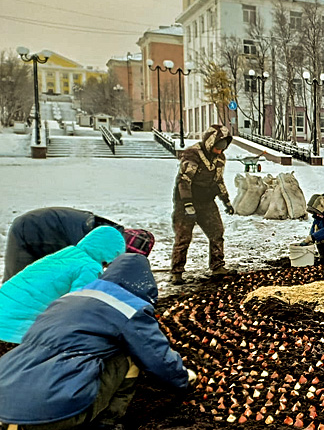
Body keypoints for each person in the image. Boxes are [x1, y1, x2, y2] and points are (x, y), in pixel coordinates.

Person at [0, 253, 195, 430]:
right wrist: (182, 378)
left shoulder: (67, 299)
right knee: (129, 355)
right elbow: (156, 358)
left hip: (5, 400)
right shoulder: (129, 307)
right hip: (53, 413)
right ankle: (107, 422)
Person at [0, 226, 126, 344]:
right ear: (111, 254)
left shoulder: (64, 255)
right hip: (13, 334)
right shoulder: (89, 268)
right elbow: (79, 307)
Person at [3, 207, 155, 282]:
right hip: (28, 231)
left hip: (51, 232)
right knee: (17, 282)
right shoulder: (92, 242)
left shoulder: (109, 234)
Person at [171, 124, 236, 285]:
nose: (220, 151)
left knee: (217, 232)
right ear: (210, 142)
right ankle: (177, 272)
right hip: (186, 201)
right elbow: (184, 181)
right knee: (183, 237)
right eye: (217, 147)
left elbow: (218, 181)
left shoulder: (220, 159)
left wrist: (226, 201)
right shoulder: (193, 155)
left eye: (223, 147)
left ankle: (217, 266)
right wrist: (187, 204)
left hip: (207, 201)